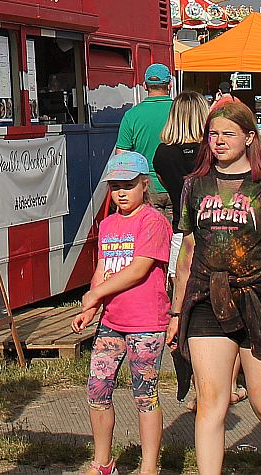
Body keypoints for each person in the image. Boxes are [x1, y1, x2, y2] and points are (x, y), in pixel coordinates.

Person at [167, 99, 261, 475]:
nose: (219, 141)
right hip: (206, 300)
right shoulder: (195, 185)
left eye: (228, 134)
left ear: (249, 137)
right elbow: (188, 251)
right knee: (211, 400)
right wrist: (176, 311)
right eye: (212, 134)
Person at [72, 150, 172, 475]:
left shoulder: (153, 222)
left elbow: (138, 270)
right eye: (115, 186)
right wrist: (92, 306)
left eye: (128, 184)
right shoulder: (108, 225)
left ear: (145, 184)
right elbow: (103, 268)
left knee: (145, 394)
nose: (121, 192)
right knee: (97, 390)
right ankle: (103, 462)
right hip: (111, 323)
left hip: (146, 323)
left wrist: (97, 292)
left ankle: (149, 467)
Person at [154, 91, 209, 272]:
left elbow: (164, 181)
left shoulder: (163, 153)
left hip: (181, 229)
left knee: (179, 286)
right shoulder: (211, 151)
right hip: (212, 229)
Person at [117, 64, 176, 211]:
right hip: (178, 185)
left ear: (144, 85)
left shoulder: (131, 115)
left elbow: (121, 155)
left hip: (148, 187)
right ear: (170, 85)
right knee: (180, 233)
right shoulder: (181, 111)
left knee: (153, 232)